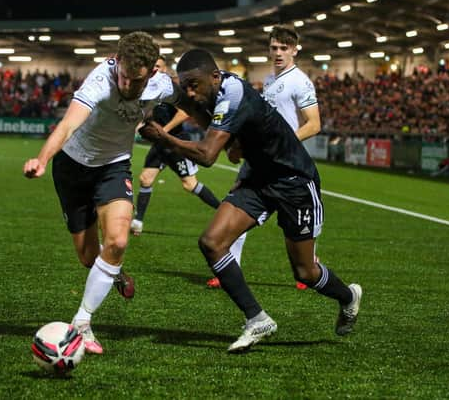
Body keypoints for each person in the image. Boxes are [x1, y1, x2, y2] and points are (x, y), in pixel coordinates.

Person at [139, 48, 362, 353]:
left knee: (305, 272)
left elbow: (207, 155)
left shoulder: (233, 94)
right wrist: (170, 94)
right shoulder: (214, 90)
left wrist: (163, 137)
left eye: (195, 85)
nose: (191, 91)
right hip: (258, 179)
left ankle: (348, 297)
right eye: (186, 85)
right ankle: (257, 318)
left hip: (294, 181)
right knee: (212, 242)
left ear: (215, 76)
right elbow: (203, 115)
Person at [23, 31, 182, 355]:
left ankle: (82, 322)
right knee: (86, 256)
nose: (126, 86)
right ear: (117, 63)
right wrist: (41, 159)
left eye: (135, 82)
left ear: (152, 73)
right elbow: (67, 126)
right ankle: (116, 274)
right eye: (123, 77)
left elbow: (192, 98)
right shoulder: (99, 83)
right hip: (72, 167)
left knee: (119, 240)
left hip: (113, 166)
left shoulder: (162, 85)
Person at [206, 24, 321, 290]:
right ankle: (228, 269)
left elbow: (314, 124)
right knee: (236, 208)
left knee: (296, 221)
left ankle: (311, 265)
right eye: (274, 47)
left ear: (294, 50)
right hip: (259, 160)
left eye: (284, 48)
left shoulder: (300, 81)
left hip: (286, 163)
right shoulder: (270, 81)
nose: (278, 52)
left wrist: (285, 142)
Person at [130, 57, 221, 236]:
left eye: (157, 66)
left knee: (189, 184)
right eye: (152, 65)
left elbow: (183, 113)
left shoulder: (172, 87)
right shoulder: (148, 88)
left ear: (164, 69)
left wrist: (163, 132)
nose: (154, 68)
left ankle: (223, 210)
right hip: (160, 142)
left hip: (177, 142)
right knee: (146, 179)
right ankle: (137, 222)